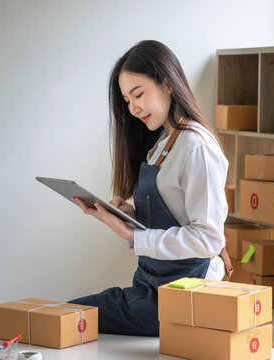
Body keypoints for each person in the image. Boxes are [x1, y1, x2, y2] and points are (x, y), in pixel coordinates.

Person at [70, 40, 232, 336]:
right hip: (150, 288)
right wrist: (129, 216)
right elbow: (174, 218)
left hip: (179, 297)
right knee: (65, 317)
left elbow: (209, 240)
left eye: (138, 94)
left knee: (66, 317)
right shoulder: (162, 144)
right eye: (127, 100)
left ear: (168, 84)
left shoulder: (196, 146)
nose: (133, 108)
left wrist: (133, 234)